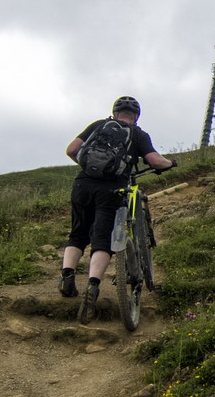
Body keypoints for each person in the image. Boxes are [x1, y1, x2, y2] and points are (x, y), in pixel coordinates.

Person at [60, 96, 176, 324]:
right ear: (136, 117)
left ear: (114, 113)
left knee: (78, 234)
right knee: (102, 240)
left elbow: (71, 149)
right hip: (113, 190)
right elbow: (154, 160)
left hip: (83, 185)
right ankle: (93, 286)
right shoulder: (138, 134)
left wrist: (89, 166)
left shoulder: (98, 125)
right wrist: (171, 163)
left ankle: (67, 275)